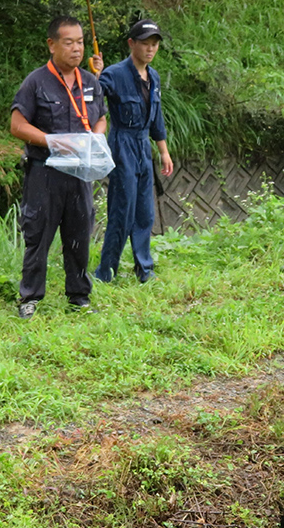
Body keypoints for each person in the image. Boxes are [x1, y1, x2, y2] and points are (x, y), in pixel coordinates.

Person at [10, 16, 107, 319]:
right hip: (45, 170)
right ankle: (30, 297)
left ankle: (79, 295)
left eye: (80, 42)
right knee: (38, 234)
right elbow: (16, 124)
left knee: (79, 233)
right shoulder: (36, 81)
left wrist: (97, 136)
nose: (77, 48)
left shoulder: (90, 81)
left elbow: (101, 116)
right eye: (69, 42)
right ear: (52, 45)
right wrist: (50, 141)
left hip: (80, 172)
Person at [90, 19, 174, 284]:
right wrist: (95, 74)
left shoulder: (154, 77)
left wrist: (163, 151)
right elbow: (93, 101)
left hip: (143, 147)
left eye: (154, 45)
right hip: (122, 144)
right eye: (145, 44)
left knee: (145, 212)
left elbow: (156, 117)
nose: (150, 50)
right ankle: (106, 272)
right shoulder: (114, 74)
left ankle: (144, 270)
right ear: (131, 44)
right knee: (121, 210)